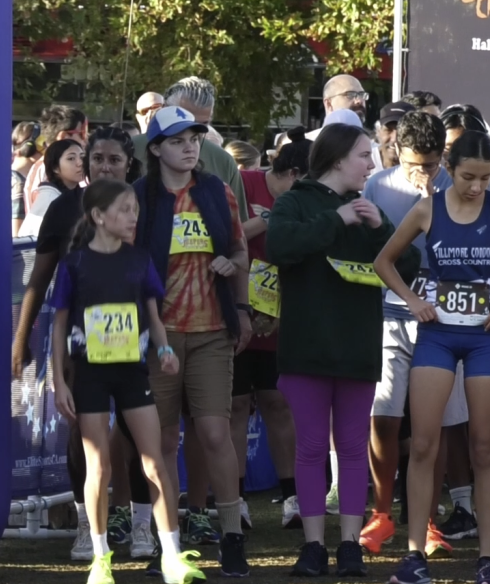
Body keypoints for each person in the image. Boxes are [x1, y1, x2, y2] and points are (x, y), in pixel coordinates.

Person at [375, 131, 490, 584]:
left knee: (485, 448)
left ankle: (487, 559)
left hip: (485, 339)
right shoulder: (428, 208)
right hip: (436, 336)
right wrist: (413, 301)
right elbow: (383, 261)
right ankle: (415, 555)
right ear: (448, 170)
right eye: (468, 176)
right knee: (425, 445)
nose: (477, 186)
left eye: (486, 178)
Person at [266, 123, 419, 577]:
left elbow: (407, 264)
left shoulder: (368, 208)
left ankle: (350, 544)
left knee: (353, 448)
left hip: (357, 349)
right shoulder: (295, 201)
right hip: (306, 348)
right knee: (311, 447)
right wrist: (337, 219)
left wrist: (378, 228)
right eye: (363, 156)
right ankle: (313, 547)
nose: (372, 165)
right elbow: (280, 246)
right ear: (336, 160)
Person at [48, 178, 204, 584]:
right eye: (124, 210)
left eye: (135, 209)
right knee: (98, 467)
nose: (132, 217)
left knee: (154, 462)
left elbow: (153, 316)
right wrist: (59, 381)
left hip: (134, 373)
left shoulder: (139, 260)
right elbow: (58, 325)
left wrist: (164, 350)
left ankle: (171, 555)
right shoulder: (74, 265)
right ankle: (101, 560)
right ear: (98, 216)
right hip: (90, 376)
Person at [12, 127, 152, 564]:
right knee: (81, 436)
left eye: (114, 159)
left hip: (136, 339)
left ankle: (142, 525)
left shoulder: (144, 204)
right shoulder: (64, 207)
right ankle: (86, 528)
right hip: (78, 341)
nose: (105, 166)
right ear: (86, 163)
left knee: (136, 435)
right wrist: (21, 337)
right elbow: (40, 277)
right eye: (97, 159)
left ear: (129, 163)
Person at [135, 106, 252, 576]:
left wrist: (239, 297)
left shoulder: (217, 191)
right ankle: (169, 546)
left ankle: (232, 536)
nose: (190, 146)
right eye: (179, 139)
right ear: (157, 148)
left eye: (195, 138)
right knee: (160, 440)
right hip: (156, 337)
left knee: (213, 433)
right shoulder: (138, 197)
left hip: (211, 332)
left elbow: (241, 249)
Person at [360, 110, 474, 560]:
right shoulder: (378, 185)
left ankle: (425, 519)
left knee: (436, 423)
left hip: (445, 320)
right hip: (389, 314)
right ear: (394, 151)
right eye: (413, 163)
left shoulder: (459, 187)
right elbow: (374, 255)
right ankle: (382, 512)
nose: (421, 172)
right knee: (385, 415)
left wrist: (435, 199)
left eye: (429, 164)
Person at [231, 128, 310, 530]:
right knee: (236, 406)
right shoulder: (243, 182)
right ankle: (235, 500)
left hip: (280, 316)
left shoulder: (305, 203)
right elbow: (225, 239)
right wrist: (263, 221)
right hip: (235, 313)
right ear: (294, 173)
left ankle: (293, 497)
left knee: (278, 403)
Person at [132, 78, 247, 222]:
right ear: (164, 108)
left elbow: (238, 227)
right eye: (184, 121)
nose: (194, 133)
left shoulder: (224, 162)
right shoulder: (129, 151)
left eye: (203, 124)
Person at [23, 105, 89, 216]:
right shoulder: (47, 172)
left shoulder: (38, 167)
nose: (86, 140)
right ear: (63, 136)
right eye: (82, 133)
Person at [18, 139, 86, 237]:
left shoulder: (78, 194)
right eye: (71, 158)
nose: (80, 163)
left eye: (82, 157)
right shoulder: (49, 199)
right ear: (55, 167)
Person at [12, 121, 42, 236]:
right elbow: (16, 236)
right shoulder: (18, 183)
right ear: (29, 147)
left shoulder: (13, 177)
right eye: (41, 143)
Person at [375, 101, 417, 171]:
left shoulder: (423, 166)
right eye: (388, 130)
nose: (394, 139)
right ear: (378, 132)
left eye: (403, 131)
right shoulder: (364, 162)